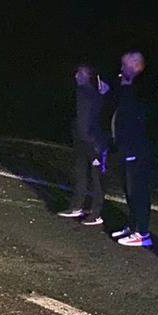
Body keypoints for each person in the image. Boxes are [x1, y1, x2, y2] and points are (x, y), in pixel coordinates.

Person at [106, 51, 155, 247]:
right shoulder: (127, 87)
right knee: (129, 189)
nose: (121, 69)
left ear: (136, 66)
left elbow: (136, 117)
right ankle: (133, 225)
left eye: (125, 65)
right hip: (126, 147)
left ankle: (142, 232)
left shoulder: (142, 88)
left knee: (138, 190)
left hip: (138, 148)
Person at [57, 64, 109, 225]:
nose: (76, 76)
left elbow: (98, 118)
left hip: (93, 142)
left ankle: (96, 213)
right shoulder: (83, 93)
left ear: (87, 76)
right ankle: (76, 206)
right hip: (81, 140)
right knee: (80, 173)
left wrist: (95, 144)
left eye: (80, 73)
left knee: (96, 178)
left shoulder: (92, 94)